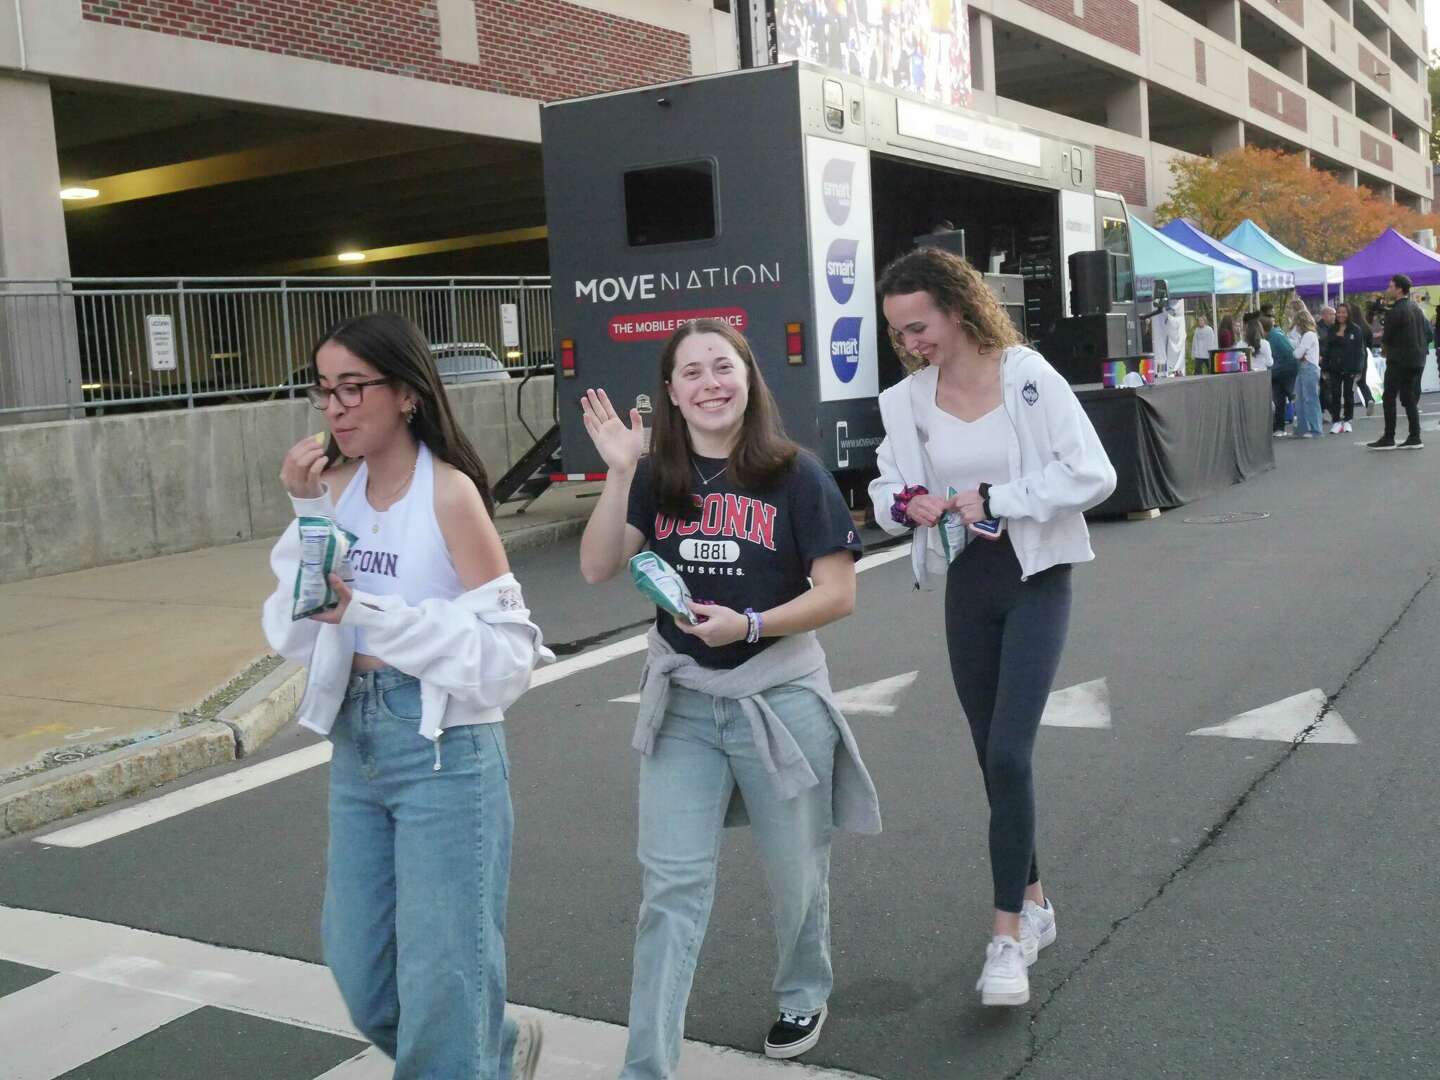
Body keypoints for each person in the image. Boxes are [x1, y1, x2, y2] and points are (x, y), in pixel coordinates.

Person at [577, 319, 879, 1076]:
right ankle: (647, 1066)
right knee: (670, 886)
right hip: (680, 705)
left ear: (748, 379)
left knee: (796, 872)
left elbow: (838, 592)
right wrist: (618, 473)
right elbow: (597, 566)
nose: (710, 383)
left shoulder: (796, 474)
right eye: (692, 373)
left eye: (723, 367)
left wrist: (749, 622)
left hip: (779, 700)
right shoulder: (654, 476)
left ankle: (804, 990)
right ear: (672, 395)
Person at [260, 312, 552, 1080]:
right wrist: (307, 512)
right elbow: (290, 632)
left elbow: (508, 657)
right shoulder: (336, 489)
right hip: (358, 746)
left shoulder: (450, 495)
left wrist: (367, 613)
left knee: (444, 989)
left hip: (445, 754)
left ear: (409, 395)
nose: (336, 408)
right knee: (361, 972)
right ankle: (493, 1053)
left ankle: (472, 1056)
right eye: (325, 391)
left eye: (354, 388)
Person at [869, 247, 1116, 1008]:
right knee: (992, 759)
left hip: (1036, 577)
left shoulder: (1027, 377)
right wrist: (903, 501)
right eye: (899, 333)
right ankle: (1036, 899)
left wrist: (997, 496)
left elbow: (1093, 473)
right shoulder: (906, 400)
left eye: (919, 326)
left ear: (957, 306)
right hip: (966, 586)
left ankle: (1006, 938)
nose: (911, 343)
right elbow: (883, 484)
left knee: (1010, 751)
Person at [1371, 273, 1427, 449]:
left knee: (1389, 397)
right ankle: (1414, 436)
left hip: (1399, 360)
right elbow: (1428, 332)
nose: (1389, 289)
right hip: (1417, 358)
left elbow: (1387, 337)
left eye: (1391, 286)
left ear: (1399, 289)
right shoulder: (1416, 309)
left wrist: (1380, 336)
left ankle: (1389, 437)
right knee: (1409, 398)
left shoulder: (1397, 310)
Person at [1324, 303, 1365, 434]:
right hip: (1334, 367)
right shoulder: (1332, 329)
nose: (1341, 315)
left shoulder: (1356, 330)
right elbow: (1327, 350)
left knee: (1348, 394)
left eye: (1344, 312)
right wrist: (1325, 367)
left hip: (1350, 367)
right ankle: (1336, 421)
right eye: (1339, 312)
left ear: (1348, 314)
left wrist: (1359, 368)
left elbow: (1360, 350)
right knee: (1335, 394)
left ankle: (1347, 420)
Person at [1288, 301, 1323, 438]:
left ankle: (1315, 429)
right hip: (1305, 368)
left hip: (1309, 368)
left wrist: (1297, 350)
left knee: (1310, 399)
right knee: (1300, 398)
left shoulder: (1308, 335)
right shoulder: (1306, 336)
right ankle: (1303, 428)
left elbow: (1297, 354)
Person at [1265, 314, 1298, 437]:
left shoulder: (1273, 338)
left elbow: (1283, 355)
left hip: (1284, 371)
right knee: (1280, 399)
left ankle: (1296, 423)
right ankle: (1279, 427)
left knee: (1289, 397)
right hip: (1280, 371)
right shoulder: (1277, 334)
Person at [1154, 297, 1186, 377]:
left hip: (1175, 314)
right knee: (1160, 343)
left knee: (1163, 343)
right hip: (1165, 311)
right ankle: (1164, 371)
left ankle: (1175, 370)